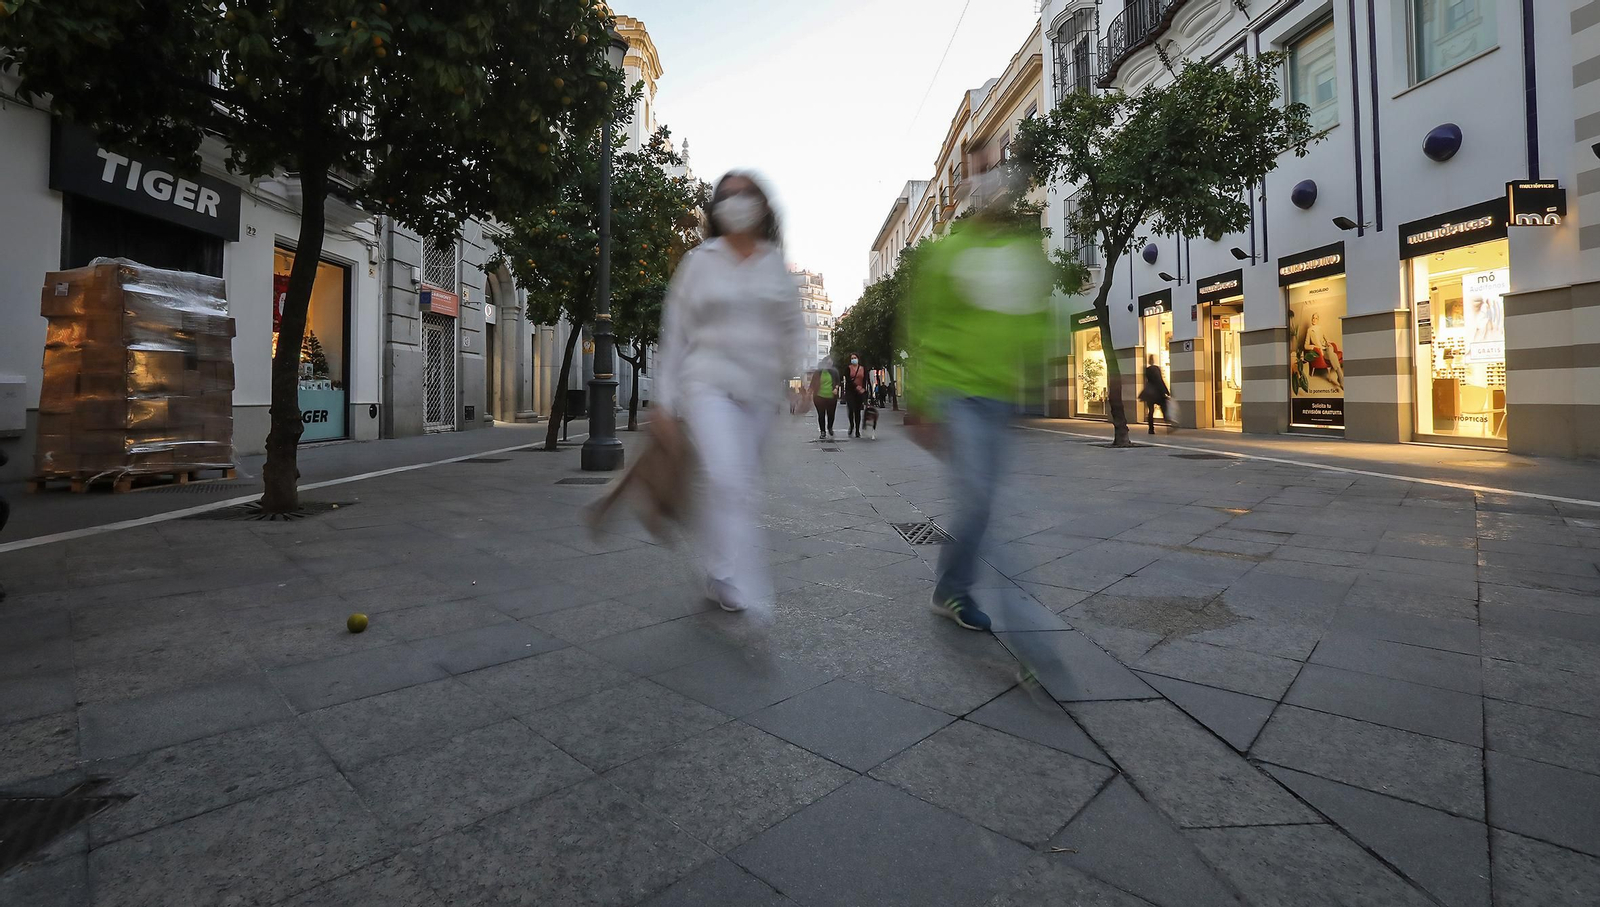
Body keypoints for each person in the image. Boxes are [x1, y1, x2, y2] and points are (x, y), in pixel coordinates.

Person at [901, 170, 1050, 631]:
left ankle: (951, 586)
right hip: (956, 393)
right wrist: (922, 400)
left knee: (984, 500)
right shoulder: (950, 253)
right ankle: (954, 590)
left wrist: (1029, 380)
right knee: (977, 499)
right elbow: (923, 324)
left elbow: (1033, 320)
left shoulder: (1020, 258)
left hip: (999, 395)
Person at [655, 171, 803, 616]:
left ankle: (719, 570)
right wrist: (663, 402)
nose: (738, 203)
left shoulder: (773, 263)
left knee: (738, 484)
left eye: (747, 195)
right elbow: (675, 333)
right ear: (717, 208)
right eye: (728, 195)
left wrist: (803, 375)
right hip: (707, 385)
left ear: (763, 206)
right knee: (727, 478)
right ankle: (751, 589)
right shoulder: (699, 262)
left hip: (759, 392)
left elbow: (792, 326)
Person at [1139, 355, 1173, 434]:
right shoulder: (1156, 369)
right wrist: (1166, 391)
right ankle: (1167, 423)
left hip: (1149, 392)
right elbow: (1160, 380)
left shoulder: (1146, 370)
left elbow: (1146, 380)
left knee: (1151, 411)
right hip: (1157, 392)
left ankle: (1151, 429)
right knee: (1163, 407)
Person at [810, 362, 840, 439]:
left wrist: (836, 388)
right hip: (819, 397)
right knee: (821, 414)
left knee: (831, 414)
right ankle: (823, 431)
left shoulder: (834, 372)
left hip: (831, 397)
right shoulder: (818, 373)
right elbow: (812, 383)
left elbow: (837, 381)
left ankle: (830, 427)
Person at [844, 353, 869, 438]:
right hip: (850, 391)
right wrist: (856, 387)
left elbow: (865, 380)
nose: (853, 359)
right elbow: (848, 380)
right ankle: (852, 425)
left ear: (858, 359)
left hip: (859, 393)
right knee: (851, 409)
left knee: (857, 411)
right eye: (852, 358)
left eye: (855, 358)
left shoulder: (863, 369)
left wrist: (863, 389)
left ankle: (857, 430)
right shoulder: (848, 368)